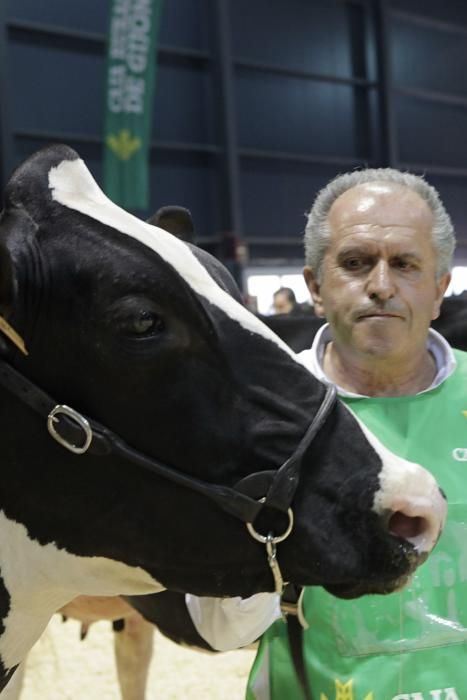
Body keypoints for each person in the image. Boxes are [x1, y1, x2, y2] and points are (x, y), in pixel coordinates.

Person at [187, 168, 467, 700]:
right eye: (356, 263)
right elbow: (220, 631)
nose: (381, 285)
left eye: (405, 264)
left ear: (438, 290)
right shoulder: (254, 421)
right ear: (316, 286)